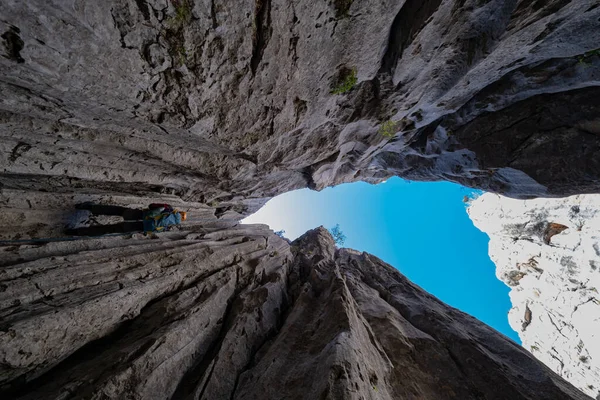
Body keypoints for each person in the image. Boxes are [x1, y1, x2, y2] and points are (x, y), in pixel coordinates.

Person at [64, 203, 187, 236]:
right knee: (107, 230)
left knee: (113, 210)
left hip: (138, 214)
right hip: (138, 227)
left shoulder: (169, 209)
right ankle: (74, 232)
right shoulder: (170, 225)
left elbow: (151, 206)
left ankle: (87, 207)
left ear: (180, 212)